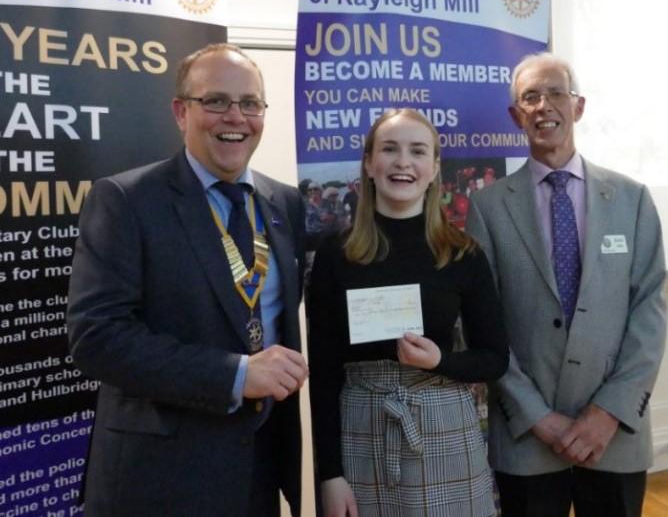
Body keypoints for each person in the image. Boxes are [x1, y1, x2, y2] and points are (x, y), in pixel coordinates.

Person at [66, 43, 309, 516]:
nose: (235, 117)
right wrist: (237, 374)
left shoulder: (285, 204)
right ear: (181, 111)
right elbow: (97, 338)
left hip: (257, 470)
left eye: (250, 103)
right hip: (159, 479)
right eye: (215, 101)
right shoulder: (126, 200)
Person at [466, 52, 667, 517]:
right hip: (528, 437)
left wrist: (608, 412)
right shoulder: (489, 208)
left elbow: (650, 314)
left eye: (556, 93)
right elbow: (483, 322)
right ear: (516, 116)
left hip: (613, 434)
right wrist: (538, 418)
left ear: (578, 107)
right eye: (530, 97)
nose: (543, 106)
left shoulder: (632, 200)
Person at [308, 109, 509, 517]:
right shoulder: (336, 254)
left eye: (418, 151)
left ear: (434, 169)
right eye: (389, 149)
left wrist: (441, 360)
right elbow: (324, 373)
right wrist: (329, 474)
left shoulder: (463, 253)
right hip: (362, 427)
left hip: (444, 425)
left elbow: (494, 358)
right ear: (368, 163)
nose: (403, 162)